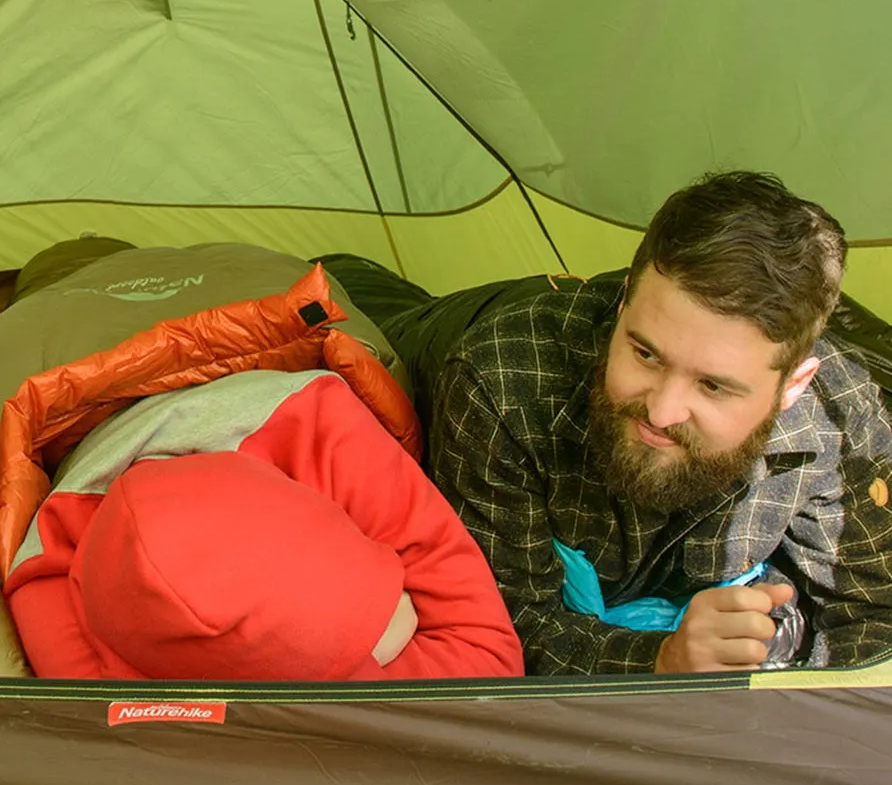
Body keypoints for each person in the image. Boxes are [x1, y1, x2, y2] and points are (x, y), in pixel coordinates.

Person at [328, 172, 892, 675]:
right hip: (425, 331)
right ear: (624, 303)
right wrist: (658, 660)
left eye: (713, 386)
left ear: (793, 385)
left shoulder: (840, 419)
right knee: (343, 289)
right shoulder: (503, 382)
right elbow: (498, 625)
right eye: (645, 353)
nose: (662, 411)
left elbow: (872, 619)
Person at [4, 366, 524, 681]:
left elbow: (491, 667)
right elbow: (147, 749)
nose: (392, 626)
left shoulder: (328, 431)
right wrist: (359, 673)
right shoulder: (43, 571)